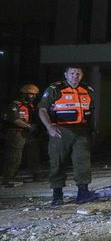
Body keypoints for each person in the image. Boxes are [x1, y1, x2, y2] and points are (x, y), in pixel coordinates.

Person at [38, 67, 98, 205]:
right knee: (57, 161)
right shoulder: (55, 89)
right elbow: (42, 109)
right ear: (65, 75)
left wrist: (93, 129)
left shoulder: (87, 89)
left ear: (82, 75)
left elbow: (92, 110)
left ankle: (83, 193)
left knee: (82, 161)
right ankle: (57, 195)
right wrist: (49, 126)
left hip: (82, 131)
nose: (75, 76)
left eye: (78, 73)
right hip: (61, 130)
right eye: (72, 73)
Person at [2, 84, 41, 185]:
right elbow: (15, 119)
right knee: (15, 156)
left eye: (35, 95)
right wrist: (29, 126)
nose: (33, 97)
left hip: (29, 133)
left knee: (33, 154)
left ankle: (37, 175)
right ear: (24, 94)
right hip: (16, 133)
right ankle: (8, 178)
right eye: (31, 94)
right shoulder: (14, 105)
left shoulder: (31, 106)